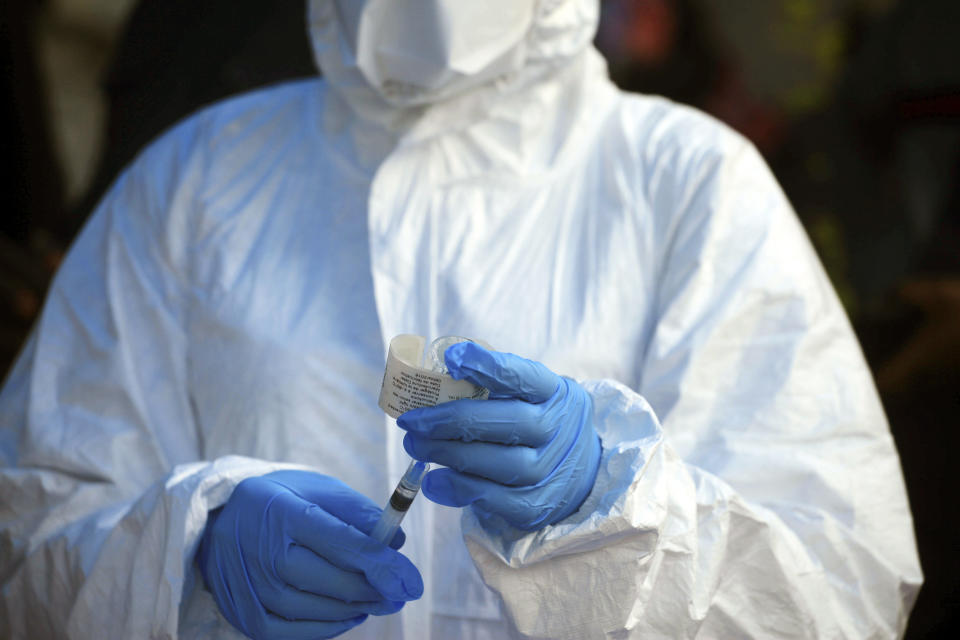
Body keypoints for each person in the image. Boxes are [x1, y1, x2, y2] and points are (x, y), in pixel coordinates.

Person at [0, 0, 922, 638]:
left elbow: (840, 595)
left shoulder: (688, 185)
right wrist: (189, 555)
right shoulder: (196, 177)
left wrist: (608, 506)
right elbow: (28, 532)